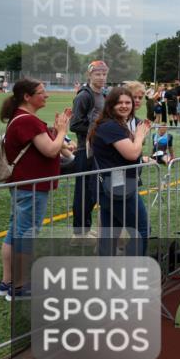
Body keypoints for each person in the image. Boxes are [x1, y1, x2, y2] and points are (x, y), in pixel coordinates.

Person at [0, 79, 73, 300]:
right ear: (27, 97)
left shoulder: (20, 118)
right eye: (41, 92)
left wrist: (59, 136)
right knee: (25, 234)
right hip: (32, 186)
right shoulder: (27, 120)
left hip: (23, 185)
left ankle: (7, 283)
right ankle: (20, 287)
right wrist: (61, 131)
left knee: (15, 231)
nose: (46, 95)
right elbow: (50, 150)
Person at [88, 86, 151, 257]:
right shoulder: (110, 126)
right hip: (119, 188)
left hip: (112, 187)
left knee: (109, 234)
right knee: (141, 230)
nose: (124, 106)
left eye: (128, 102)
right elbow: (131, 153)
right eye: (119, 103)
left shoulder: (114, 124)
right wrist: (139, 136)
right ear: (110, 105)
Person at [69, 59, 108, 243]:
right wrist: (97, 129)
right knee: (83, 192)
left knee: (93, 192)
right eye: (97, 74)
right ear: (90, 75)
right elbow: (75, 124)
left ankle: (85, 228)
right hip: (84, 151)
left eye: (104, 74)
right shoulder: (84, 96)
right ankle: (78, 234)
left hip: (98, 151)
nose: (101, 77)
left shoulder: (104, 95)